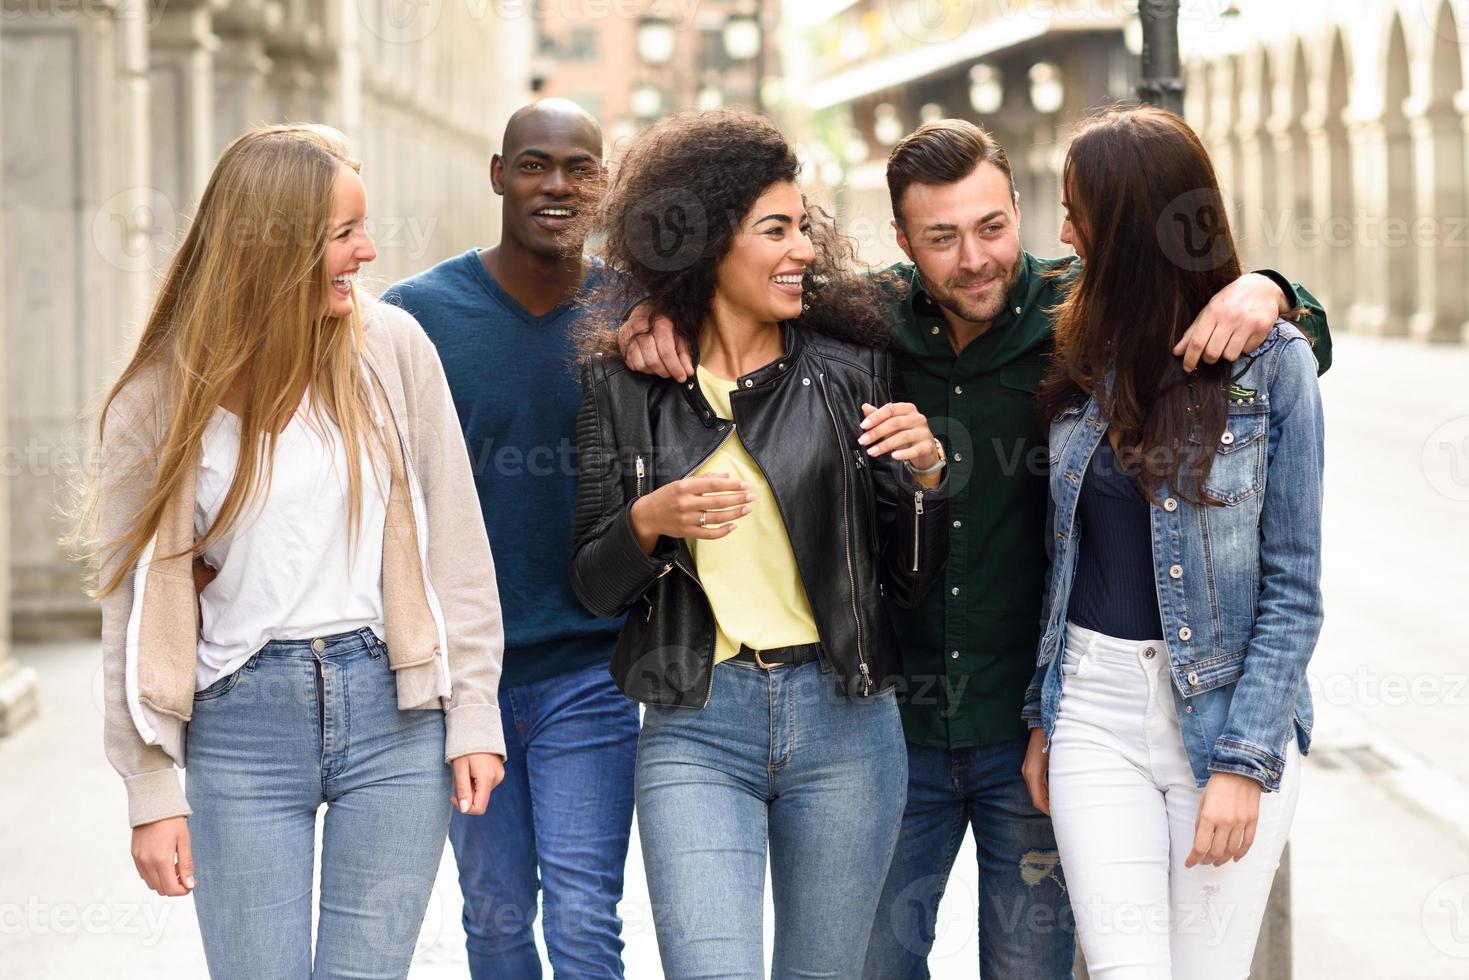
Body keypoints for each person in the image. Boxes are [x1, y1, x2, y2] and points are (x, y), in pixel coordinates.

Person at [619, 117, 1332, 979]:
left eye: (993, 227)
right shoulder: (860, 325)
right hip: (892, 729)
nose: (975, 259)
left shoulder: (1084, 314)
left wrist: (1269, 287)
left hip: (1033, 728)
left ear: (1023, 211)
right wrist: (651, 312)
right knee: (876, 965)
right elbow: (736, 299)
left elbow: (1262, 351)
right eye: (942, 239)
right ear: (901, 240)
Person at [78, 123, 506, 979]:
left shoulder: (392, 349)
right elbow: (128, 609)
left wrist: (473, 713)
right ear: (272, 247)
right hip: (240, 726)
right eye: (344, 234)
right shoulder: (160, 395)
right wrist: (148, 788)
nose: (368, 251)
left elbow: (456, 541)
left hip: (394, 714)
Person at [570, 108, 950, 979]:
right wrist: (646, 522)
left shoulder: (848, 371)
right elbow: (593, 583)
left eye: (803, 226)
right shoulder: (623, 387)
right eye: (774, 229)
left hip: (845, 724)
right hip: (695, 725)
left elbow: (908, 581)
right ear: (704, 244)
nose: (804, 249)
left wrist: (926, 480)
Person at [1020, 105, 1324, 979]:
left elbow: (1294, 587)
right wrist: (1046, 713)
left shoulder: (1272, 365)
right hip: (1092, 710)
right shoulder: (1076, 336)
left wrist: (1243, 761)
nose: (1061, 230)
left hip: (1221, 713)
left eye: (1076, 210)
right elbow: (1064, 558)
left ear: (1123, 226)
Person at [381, 99, 638, 980]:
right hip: (465, 683)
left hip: (590, 672)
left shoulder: (635, 315)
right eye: (535, 164)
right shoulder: (414, 317)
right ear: (499, 174)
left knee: (582, 917)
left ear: (603, 184)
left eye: (579, 168)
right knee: (491, 923)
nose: (556, 185)